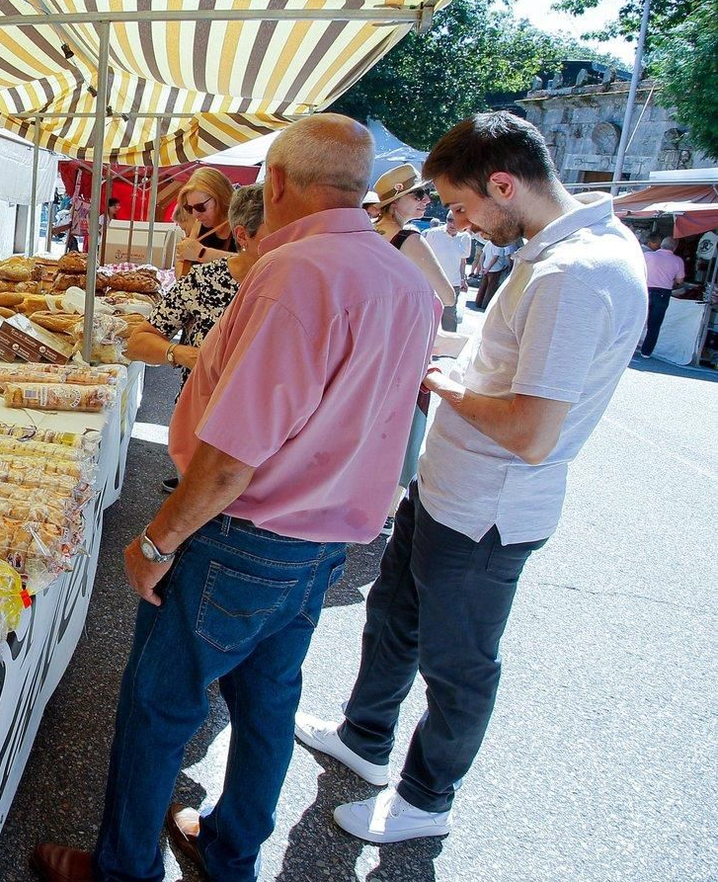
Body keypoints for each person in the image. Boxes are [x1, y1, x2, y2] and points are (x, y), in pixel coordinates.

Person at [30, 114, 439, 882]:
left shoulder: (295, 275)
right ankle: (228, 850)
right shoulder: (406, 282)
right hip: (323, 543)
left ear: (275, 183)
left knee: (160, 707)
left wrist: (154, 541)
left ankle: (123, 869)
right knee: (266, 707)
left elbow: (230, 457)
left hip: (243, 533)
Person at [296, 111, 646, 845]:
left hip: (488, 510)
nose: (456, 223)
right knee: (394, 616)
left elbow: (530, 427)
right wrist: (452, 368)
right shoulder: (563, 252)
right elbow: (510, 371)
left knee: (459, 663)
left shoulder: (573, 274)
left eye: (460, 206)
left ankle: (426, 797)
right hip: (449, 487)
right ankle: (366, 735)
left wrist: (442, 383)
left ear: (505, 183)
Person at [124, 185, 267, 494]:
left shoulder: (299, 284)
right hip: (203, 425)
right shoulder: (206, 279)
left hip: (268, 435)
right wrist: (183, 354)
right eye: (279, 234)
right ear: (244, 236)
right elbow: (138, 342)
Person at [372, 165, 459, 326]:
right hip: (391, 330)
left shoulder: (366, 229)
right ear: (394, 202)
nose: (427, 199)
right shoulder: (409, 239)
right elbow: (448, 296)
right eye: (418, 194)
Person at [173, 166, 236, 276]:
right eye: (189, 208)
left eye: (200, 207)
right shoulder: (199, 225)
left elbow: (251, 262)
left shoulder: (243, 226)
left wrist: (201, 253)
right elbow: (182, 260)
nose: (195, 214)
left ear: (220, 198)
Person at [421, 218, 472, 331]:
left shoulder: (465, 237)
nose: (452, 224)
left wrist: (463, 279)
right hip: (432, 281)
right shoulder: (433, 233)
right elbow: (424, 256)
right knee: (428, 313)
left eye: (456, 221)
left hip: (453, 282)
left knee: (450, 314)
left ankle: (449, 344)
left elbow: (463, 261)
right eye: (450, 220)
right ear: (446, 220)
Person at [639, 233, 685, 357]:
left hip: (645, 289)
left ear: (661, 245)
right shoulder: (678, 260)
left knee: (637, 320)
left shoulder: (647, 256)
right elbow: (680, 281)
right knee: (654, 325)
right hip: (663, 293)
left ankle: (628, 348)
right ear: (674, 248)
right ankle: (646, 352)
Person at [470, 236, 514, 311]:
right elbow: (495, 258)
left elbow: (482, 256)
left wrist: (482, 267)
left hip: (486, 267)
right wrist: (488, 268)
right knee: (490, 288)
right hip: (495, 269)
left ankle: (478, 302)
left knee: (482, 287)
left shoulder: (489, 243)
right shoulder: (499, 245)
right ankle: (485, 305)